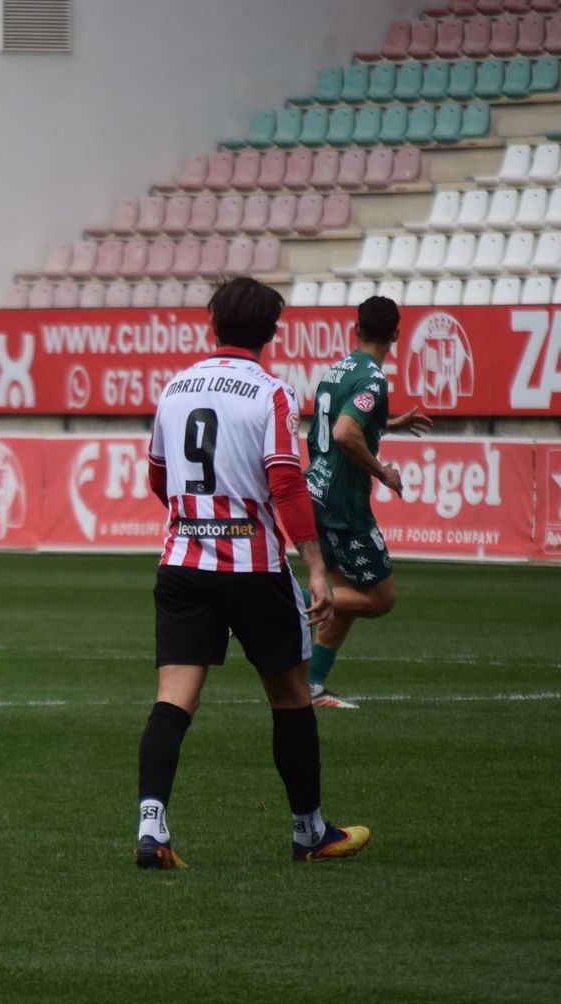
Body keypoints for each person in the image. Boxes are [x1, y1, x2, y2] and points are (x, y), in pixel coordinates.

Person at [136, 277, 368, 870]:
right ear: (271, 333)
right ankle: (309, 832)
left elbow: (159, 480)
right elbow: (285, 484)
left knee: (173, 699)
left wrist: (197, 518)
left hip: (183, 563)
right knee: (291, 696)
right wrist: (316, 568)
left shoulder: (174, 388)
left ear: (211, 322)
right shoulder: (271, 392)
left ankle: (152, 827)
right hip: (252, 567)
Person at [304, 296, 433, 709]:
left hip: (319, 491)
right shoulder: (374, 379)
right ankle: (287, 599)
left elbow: (340, 421)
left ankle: (312, 686)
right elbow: (344, 432)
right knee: (379, 598)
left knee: (349, 593)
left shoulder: (336, 370)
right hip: (345, 505)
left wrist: (390, 423)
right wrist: (384, 472)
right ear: (396, 334)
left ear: (355, 328)